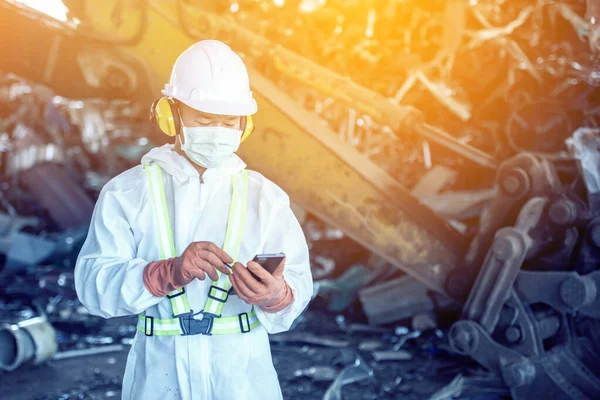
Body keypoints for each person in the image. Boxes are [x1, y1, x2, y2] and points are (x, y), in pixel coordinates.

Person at [74, 40, 313, 400]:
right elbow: (93, 288)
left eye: (229, 121)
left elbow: (298, 283)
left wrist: (276, 294)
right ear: (172, 115)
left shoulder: (265, 198)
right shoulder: (127, 192)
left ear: (245, 125)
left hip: (244, 383)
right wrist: (164, 274)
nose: (217, 130)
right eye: (204, 119)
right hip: (158, 382)